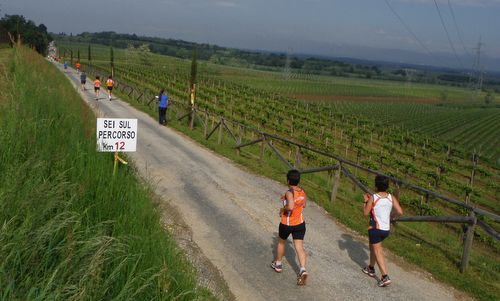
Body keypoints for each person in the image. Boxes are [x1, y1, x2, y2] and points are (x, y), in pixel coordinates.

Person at [362, 175, 403, 287]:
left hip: (375, 229)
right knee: (373, 247)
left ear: (376, 185)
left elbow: (365, 213)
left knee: (378, 251)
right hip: (385, 230)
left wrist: (365, 202)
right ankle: (370, 268)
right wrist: (390, 217)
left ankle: (385, 276)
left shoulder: (373, 197)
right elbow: (400, 211)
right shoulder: (391, 197)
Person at [271, 169, 309, 286]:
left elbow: (291, 206)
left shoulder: (289, 192)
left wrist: (283, 208)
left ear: (288, 180)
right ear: (298, 180)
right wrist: (287, 200)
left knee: (282, 242)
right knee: (299, 247)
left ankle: (278, 264)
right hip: (300, 224)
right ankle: (302, 270)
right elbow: (304, 205)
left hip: (287, 223)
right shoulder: (303, 192)